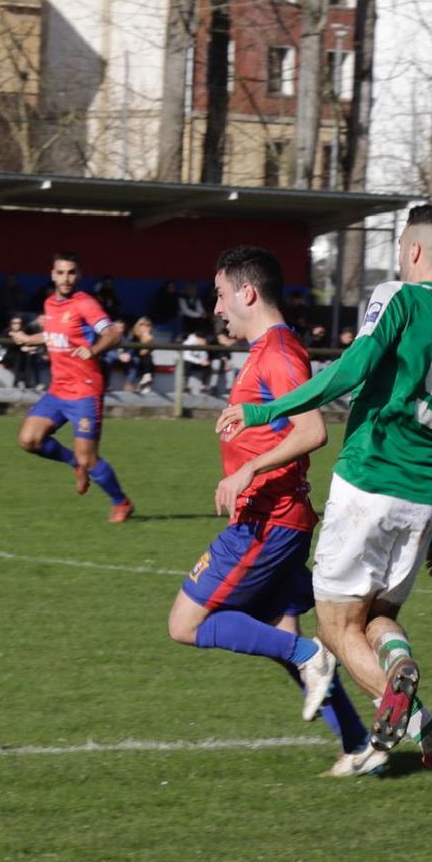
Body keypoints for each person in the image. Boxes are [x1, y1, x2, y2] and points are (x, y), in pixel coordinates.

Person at [215, 204, 432, 797]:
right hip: (426, 498)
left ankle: (412, 714)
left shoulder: (399, 297)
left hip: (370, 483)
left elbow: (354, 368)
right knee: (376, 619)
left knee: (334, 629)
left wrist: (266, 410)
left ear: (411, 251)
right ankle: (414, 697)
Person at [171, 246, 383, 778]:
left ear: (247, 293)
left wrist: (247, 471)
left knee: (187, 623)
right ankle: (359, 745)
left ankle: (313, 657)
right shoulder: (267, 350)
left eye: (220, 295)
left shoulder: (280, 354)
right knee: (276, 625)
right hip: (274, 519)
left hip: (267, 521)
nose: (216, 308)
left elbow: (313, 431)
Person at [8, 252, 133, 522]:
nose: (66, 278)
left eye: (71, 272)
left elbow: (112, 332)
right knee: (28, 440)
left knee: (90, 458)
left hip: (84, 391)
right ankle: (73, 462)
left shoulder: (85, 303)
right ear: (53, 275)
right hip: (58, 390)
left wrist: (94, 350)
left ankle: (121, 502)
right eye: (61, 272)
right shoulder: (50, 304)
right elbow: (54, 333)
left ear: (79, 275)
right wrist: (29, 338)